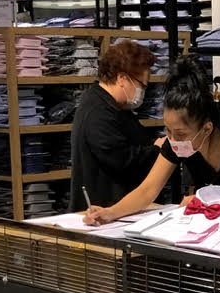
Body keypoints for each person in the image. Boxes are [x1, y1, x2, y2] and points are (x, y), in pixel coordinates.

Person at [83, 55, 220, 224]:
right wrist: (110, 213)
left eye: (180, 134)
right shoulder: (178, 145)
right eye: (168, 131)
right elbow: (148, 190)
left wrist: (209, 202)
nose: (172, 140)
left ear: (207, 128)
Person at [69, 39, 163, 212]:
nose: (142, 91)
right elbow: (120, 159)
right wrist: (155, 149)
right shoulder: (98, 112)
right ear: (121, 78)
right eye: (141, 85)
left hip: (115, 210)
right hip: (103, 210)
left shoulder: (115, 107)